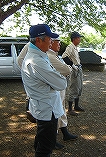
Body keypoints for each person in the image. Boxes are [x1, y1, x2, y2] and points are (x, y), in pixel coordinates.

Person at [21, 24, 67, 156]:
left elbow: (55, 80)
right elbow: (61, 83)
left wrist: (52, 81)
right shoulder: (37, 61)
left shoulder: (38, 55)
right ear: (38, 40)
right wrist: (55, 79)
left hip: (43, 107)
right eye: (49, 38)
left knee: (41, 141)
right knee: (46, 148)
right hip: (47, 109)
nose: (52, 41)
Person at [46, 37, 78, 146]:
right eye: (57, 42)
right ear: (51, 43)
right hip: (55, 88)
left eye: (59, 42)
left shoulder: (54, 55)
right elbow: (66, 69)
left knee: (61, 109)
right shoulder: (50, 56)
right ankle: (53, 139)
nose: (59, 45)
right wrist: (68, 68)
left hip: (59, 87)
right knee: (55, 112)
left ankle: (65, 133)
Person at [62, 32, 84, 116]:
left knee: (79, 87)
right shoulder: (70, 47)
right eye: (79, 38)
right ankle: (70, 109)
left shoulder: (75, 47)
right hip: (75, 69)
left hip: (78, 68)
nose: (80, 39)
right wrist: (72, 65)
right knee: (74, 87)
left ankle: (76, 106)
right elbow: (64, 56)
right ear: (74, 39)